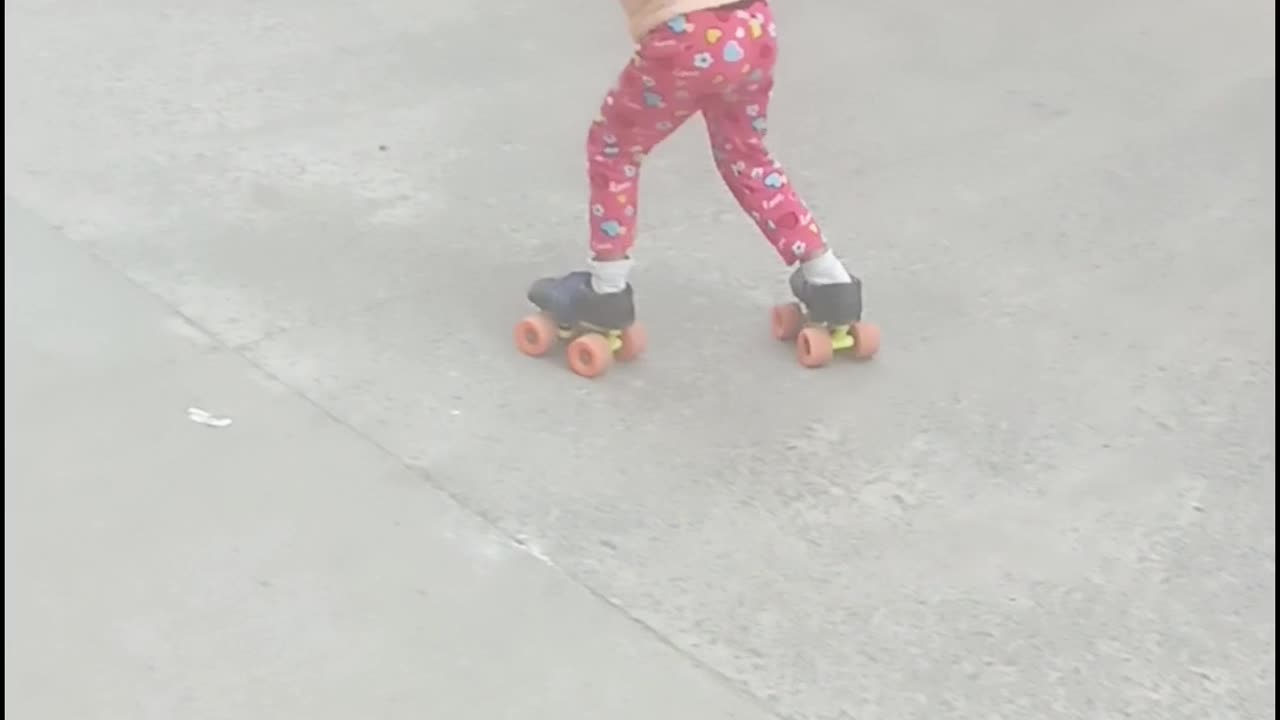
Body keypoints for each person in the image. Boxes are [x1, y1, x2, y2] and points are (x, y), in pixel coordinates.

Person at [527, 0, 863, 346]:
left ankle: (604, 291)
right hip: (751, 23)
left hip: (685, 35)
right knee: (747, 156)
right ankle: (829, 281)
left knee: (613, 151)